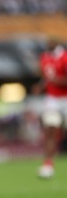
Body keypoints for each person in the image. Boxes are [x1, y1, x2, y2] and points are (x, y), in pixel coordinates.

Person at [32, 38, 67, 178]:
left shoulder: (64, 57)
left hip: (65, 98)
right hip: (52, 99)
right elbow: (46, 77)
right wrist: (40, 86)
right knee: (50, 130)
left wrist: (58, 81)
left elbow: (57, 79)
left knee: (56, 131)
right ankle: (48, 164)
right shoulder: (45, 58)